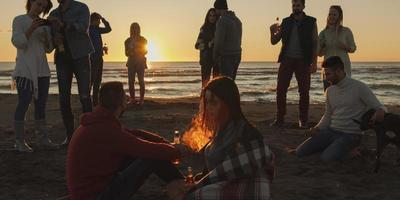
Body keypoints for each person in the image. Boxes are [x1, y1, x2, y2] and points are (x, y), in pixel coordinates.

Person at [67, 81, 190, 200]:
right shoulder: (106, 130)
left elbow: (134, 133)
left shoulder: (98, 121)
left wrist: (166, 143)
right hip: (98, 196)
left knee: (143, 154)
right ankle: (187, 188)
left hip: (90, 190)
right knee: (151, 157)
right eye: (125, 97)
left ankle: (184, 185)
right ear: (122, 103)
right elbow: (146, 149)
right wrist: (177, 152)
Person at [179, 77, 275, 199]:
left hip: (245, 190)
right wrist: (198, 180)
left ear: (229, 103)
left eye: (214, 102)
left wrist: (197, 186)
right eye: (206, 102)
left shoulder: (246, 134)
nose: (208, 107)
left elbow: (228, 170)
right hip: (224, 185)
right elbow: (215, 172)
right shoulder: (221, 130)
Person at [295, 56, 387, 161]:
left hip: (351, 135)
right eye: (325, 74)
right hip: (331, 131)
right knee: (300, 152)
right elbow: (328, 114)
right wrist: (317, 128)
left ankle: (357, 150)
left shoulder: (360, 87)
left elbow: (380, 106)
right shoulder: (329, 91)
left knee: (326, 158)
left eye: (328, 74)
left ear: (338, 71)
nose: (326, 78)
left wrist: (381, 111)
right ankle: (336, 148)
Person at [11, 0, 58, 152]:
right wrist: (32, 28)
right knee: (24, 103)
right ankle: (19, 141)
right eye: (39, 4)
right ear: (31, 2)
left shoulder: (44, 25)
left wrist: (46, 39)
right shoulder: (19, 20)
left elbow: (49, 49)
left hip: (43, 70)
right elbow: (18, 42)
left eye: (43, 7)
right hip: (25, 70)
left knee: (41, 105)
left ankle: (43, 138)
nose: (40, 9)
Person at [48, 0, 94, 144]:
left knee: (85, 96)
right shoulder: (53, 13)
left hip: (81, 56)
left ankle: (90, 135)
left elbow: (83, 27)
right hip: (62, 58)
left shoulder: (81, 7)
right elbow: (51, 36)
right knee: (63, 98)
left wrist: (65, 25)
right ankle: (70, 136)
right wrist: (54, 38)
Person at [269, 0, 318, 129]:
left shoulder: (311, 21)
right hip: (287, 59)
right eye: (294, 5)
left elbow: (315, 43)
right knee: (280, 90)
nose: (295, 8)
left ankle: (303, 120)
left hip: (303, 61)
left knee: (304, 91)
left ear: (303, 6)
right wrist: (271, 31)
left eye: (298, 5)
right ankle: (280, 118)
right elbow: (274, 41)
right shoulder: (286, 22)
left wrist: (314, 63)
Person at [318, 5, 356, 90]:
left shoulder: (346, 31)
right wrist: (322, 48)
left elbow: (353, 48)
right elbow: (318, 53)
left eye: (334, 14)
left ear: (339, 16)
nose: (332, 16)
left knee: (344, 95)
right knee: (329, 94)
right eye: (330, 14)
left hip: (343, 69)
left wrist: (345, 46)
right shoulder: (323, 33)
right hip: (328, 69)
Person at [213, 0, 242, 80]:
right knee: (231, 82)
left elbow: (219, 42)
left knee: (225, 83)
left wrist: (215, 57)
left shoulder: (222, 21)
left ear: (218, 8)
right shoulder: (237, 20)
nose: (215, 12)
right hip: (237, 54)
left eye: (215, 9)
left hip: (226, 56)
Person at [89, 12, 112, 106]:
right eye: (98, 20)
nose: (99, 22)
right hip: (92, 58)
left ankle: (95, 101)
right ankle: (87, 99)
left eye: (99, 21)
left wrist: (103, 19)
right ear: (93, 21)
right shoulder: (89, 29)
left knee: (98, 80)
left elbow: (108, 29)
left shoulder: (97, 30)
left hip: (99, 57)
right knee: (91, 79)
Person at [124, 22, 148, 105]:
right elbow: (126, 53)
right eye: (133, 28)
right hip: (131, 62)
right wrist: (131, 52)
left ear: (139, 29)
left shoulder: (143, 40)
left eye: (136, 28)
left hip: (140, 61)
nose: (134, 30)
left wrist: (136, 50)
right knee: (131, 81)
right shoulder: (127, 40)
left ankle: (141, 99)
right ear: (131, 29)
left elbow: (145, 51)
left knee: (141, 81)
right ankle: (132, 99)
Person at [195, 8, 218, 88]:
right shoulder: (204, 29)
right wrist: (208, 44)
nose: (212, 17)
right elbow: (197, 45)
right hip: (206, 59)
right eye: (210, 15)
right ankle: (203, 99)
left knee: (216, 83)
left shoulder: (219, 29)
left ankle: (213, 100)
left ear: (216, 17)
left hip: (217, 59)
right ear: (207, 17)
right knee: (205, 83)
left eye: (214, 16)